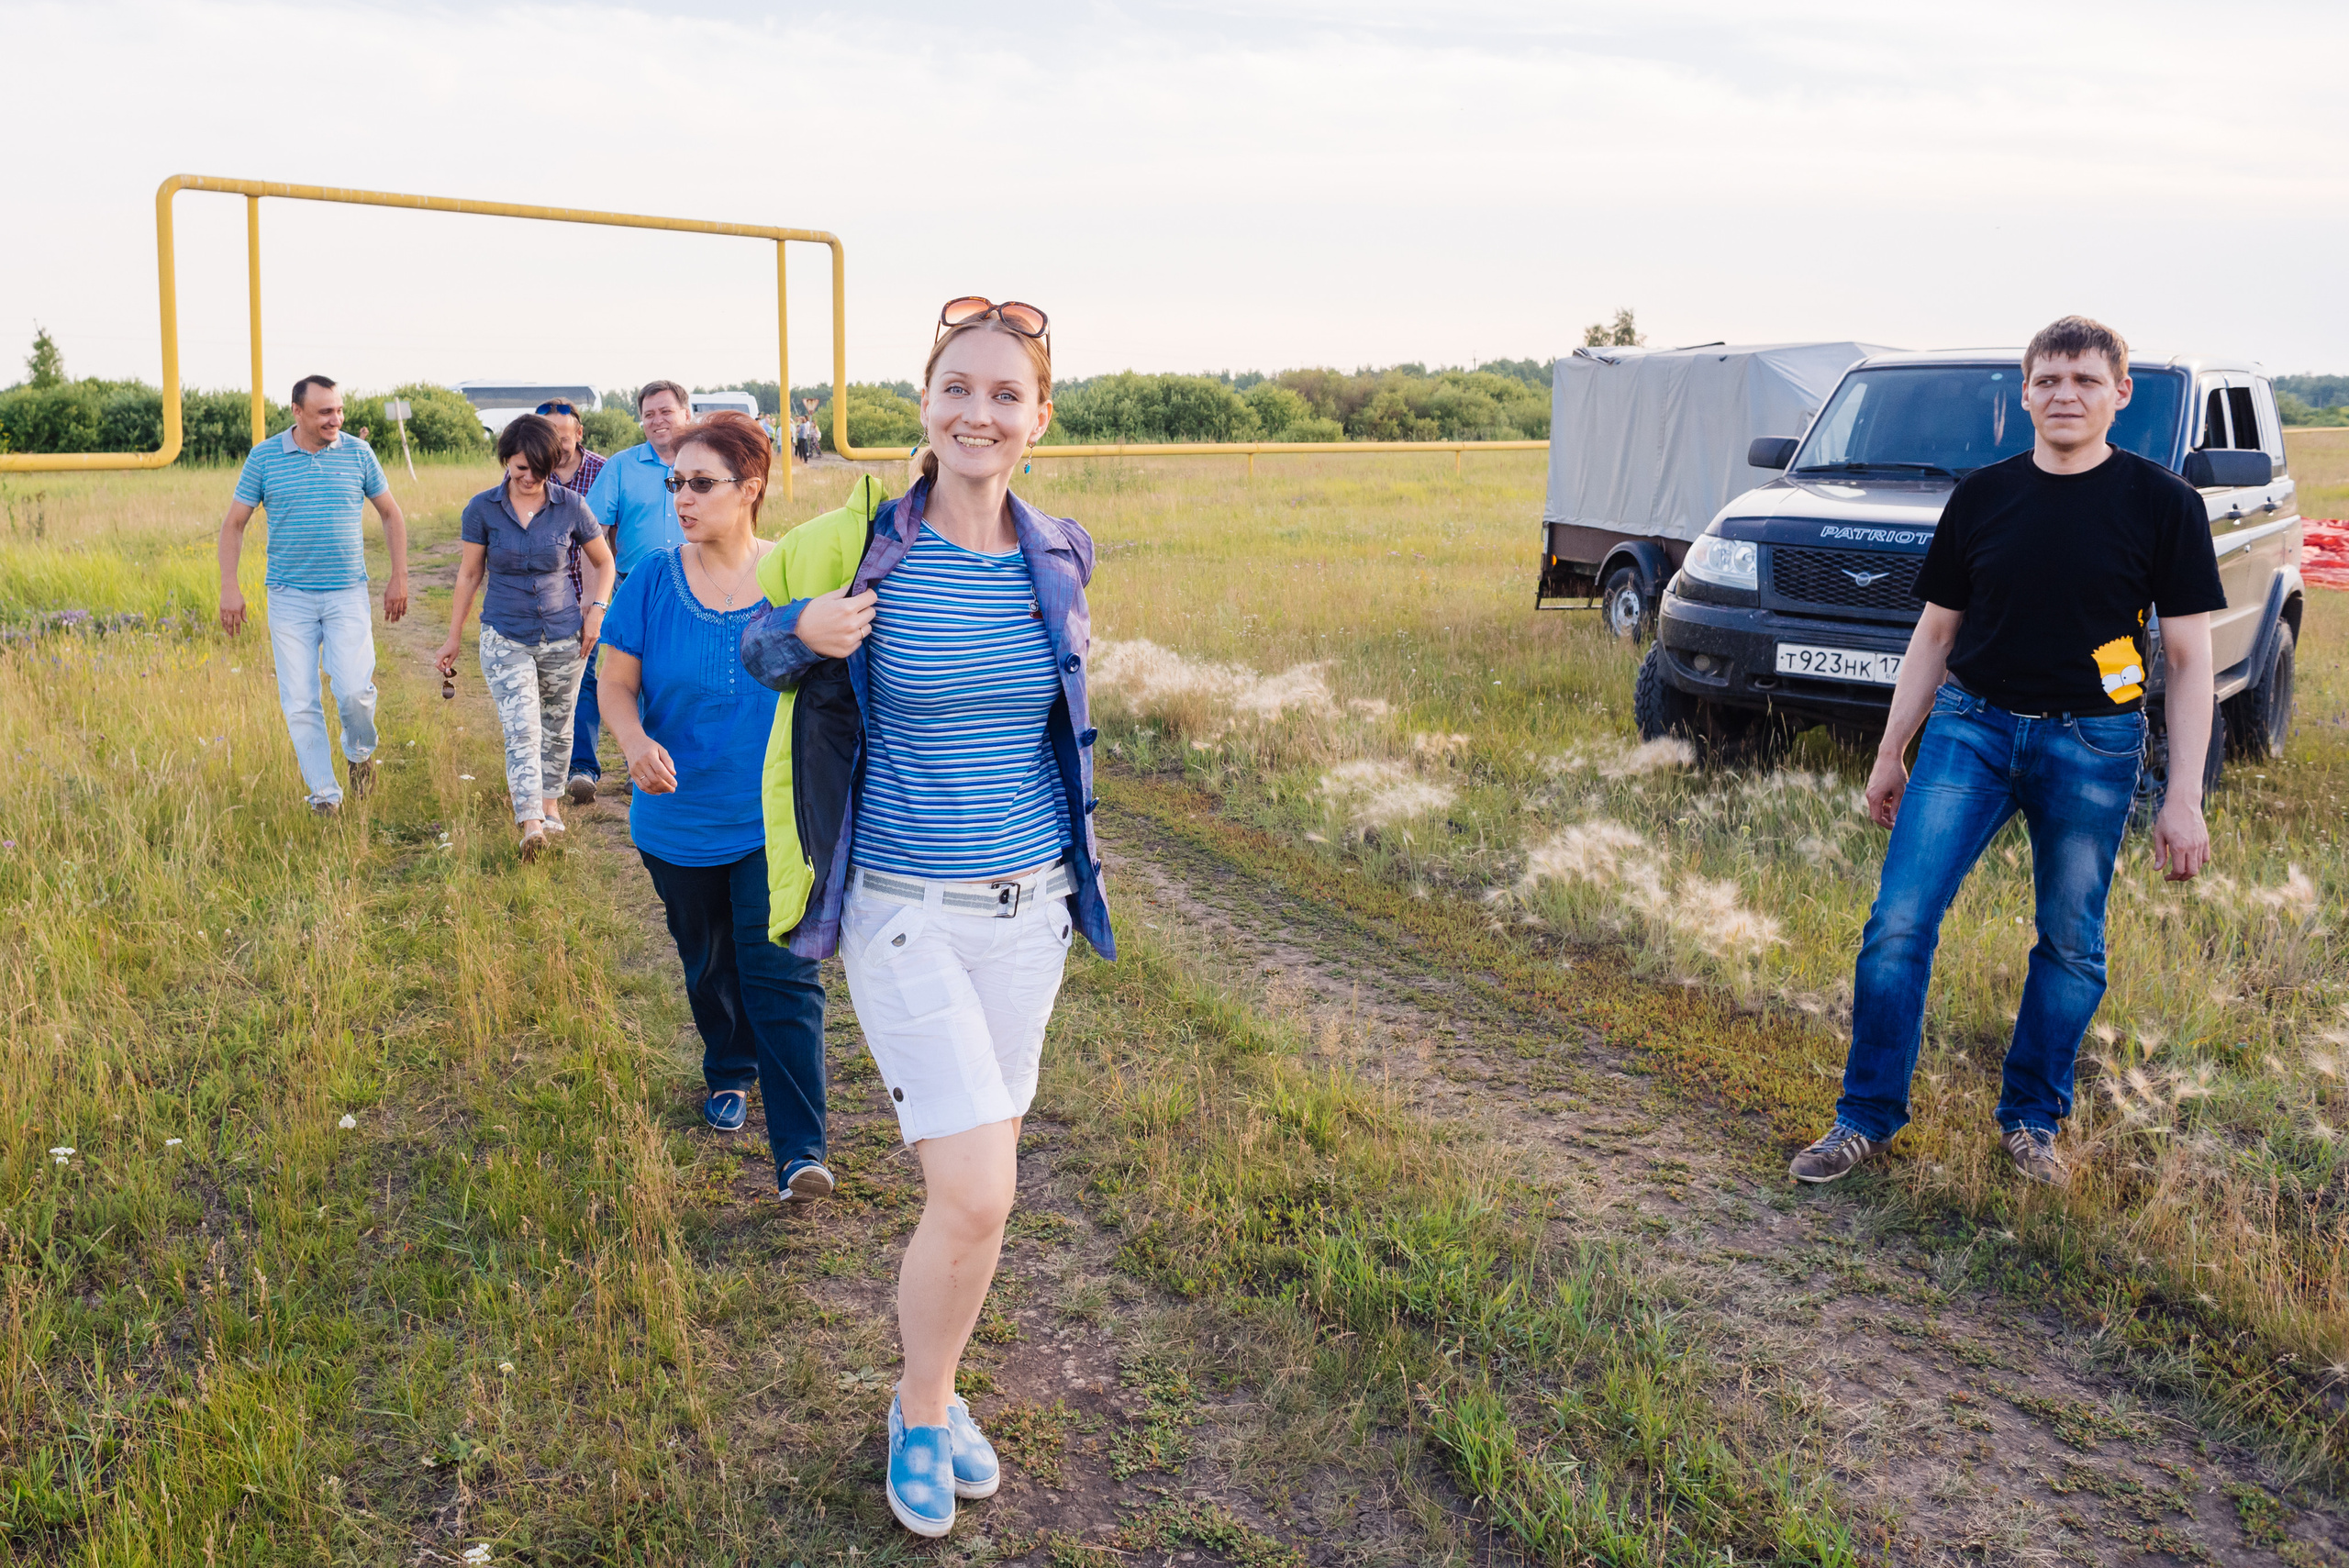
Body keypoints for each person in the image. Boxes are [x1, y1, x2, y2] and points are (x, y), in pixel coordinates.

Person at [742, 297, 1110, 1540]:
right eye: (960, 387)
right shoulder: (859, 544)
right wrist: (803, 630)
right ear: (925, 402)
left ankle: (933, 1391)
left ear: (1039, 418)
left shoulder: (1058, 551)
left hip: (1031, 911)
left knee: (977, 1192)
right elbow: (748, 637)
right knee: (979, 1193)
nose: (980, 412)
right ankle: (920, 1406)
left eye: (1007, 394)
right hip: (904, 910)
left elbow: (1059, 706)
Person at [1788, 316, 2223, 1191]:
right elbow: (1937, 632)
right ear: (2024, 393)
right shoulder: (1982, 496)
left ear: (2119, 395)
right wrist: (1890, 749)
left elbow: (2187, 659)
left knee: (2070, 945)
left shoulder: (2162, 504)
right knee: (1898, 925)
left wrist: (2184, 796)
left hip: (2093, 744)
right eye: (2050, 380)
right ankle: (1863, 1117)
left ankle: (2030, 1122)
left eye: (2086, 381)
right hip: (1972, 730)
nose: (2066, 395)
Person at [597, 412, 832, 1175]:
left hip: (774, 823)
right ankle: (730, 1066)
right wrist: (633, 745)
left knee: (782, 976)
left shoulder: (793, 575)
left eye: (701, 483)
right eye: (675, 482)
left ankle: (801, 1153)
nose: (682, 498)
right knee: (707, 962)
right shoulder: (650, 583)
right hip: (677, 821)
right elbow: (617, 684)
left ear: (751, 487)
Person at [217, 374, 410, 815]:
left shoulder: (359, 453)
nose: (336, 419)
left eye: (339, 410)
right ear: (297, 412)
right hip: (289, 598)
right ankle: (325, 794)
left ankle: (359, 755)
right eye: (325, 411)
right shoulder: (264, 458)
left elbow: (390, 513)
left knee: (354, 692)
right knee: (300, 699)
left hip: (347, 593)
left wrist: (399, 575)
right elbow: (234, 524)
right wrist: (231, 586)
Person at [435, 415, 617, 859]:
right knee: (522, 728)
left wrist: (595, 613)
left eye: (540, 469)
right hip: (505, 634)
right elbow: (470, 573)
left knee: (557, 728)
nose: (531, 478)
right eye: (521, 469)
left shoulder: (572, 505)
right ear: (505, 462)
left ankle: (551, 808)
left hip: (563, 636)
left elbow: (604, 562)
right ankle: (530, 822)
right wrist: (453, 636)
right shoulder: (482, 509)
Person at [572, 380, 693, 804]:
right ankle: (636, 761)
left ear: (686, 414)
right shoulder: (621, 467)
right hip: (632, 587)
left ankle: (674, 760)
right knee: (628, 677)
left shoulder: (703, 462)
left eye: (666, 411)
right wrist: (593, 597)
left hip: (695, 584)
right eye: (649, 414)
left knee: (677, 674)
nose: (657, 421)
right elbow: (593, 534)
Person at [537, 398, 607, 617]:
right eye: (545, 439)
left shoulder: (604, 471)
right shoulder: (525, 472)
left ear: (579, 434)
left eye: (562, 439)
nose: (554, 447)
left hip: (585, 596)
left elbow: (614, 538)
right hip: (535, 598)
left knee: (586, 652)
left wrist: (599, 601)